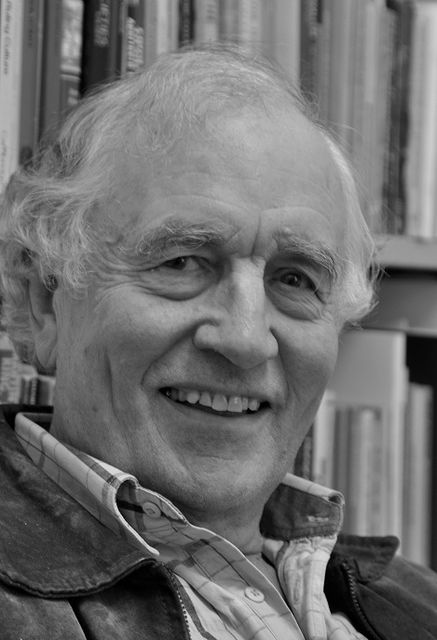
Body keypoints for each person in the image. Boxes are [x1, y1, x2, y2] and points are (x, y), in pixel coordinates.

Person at [0, 45, 435, 640]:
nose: (246, 339)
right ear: (44, 301)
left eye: (294, 279)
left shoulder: (420, 601)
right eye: (182, 262)